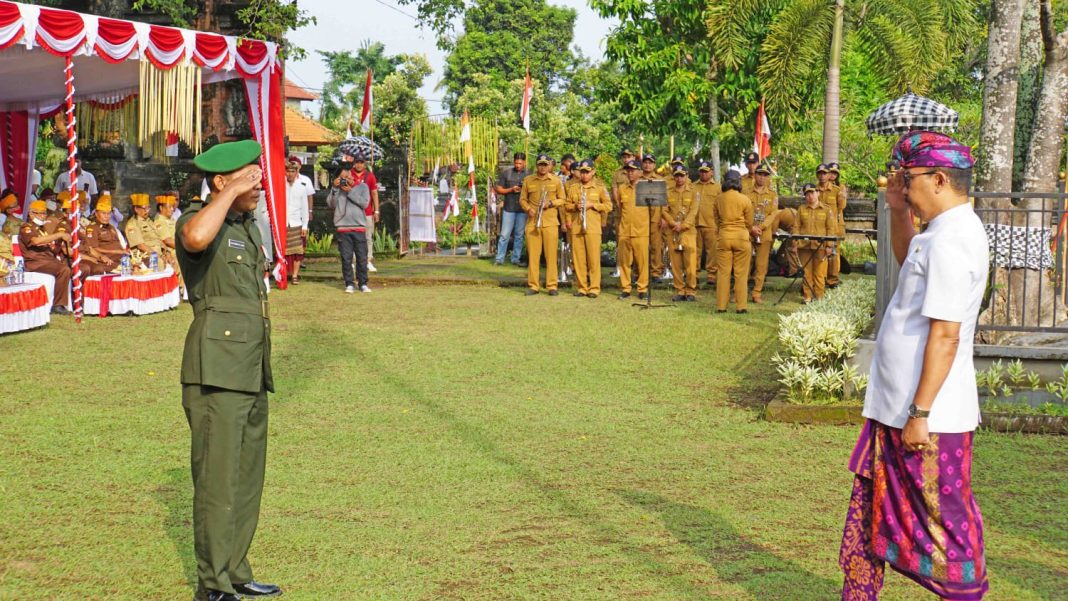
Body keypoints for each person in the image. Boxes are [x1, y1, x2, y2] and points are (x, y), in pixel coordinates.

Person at [839, 131, 988, 601]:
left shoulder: (954, 239)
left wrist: (920, 413)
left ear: (939, 179)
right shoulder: (939, 231)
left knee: (945, 530)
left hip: (926, 418)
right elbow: (909, 264)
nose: (902, 185)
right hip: (898, 408)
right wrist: (897, 210)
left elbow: (946, 334)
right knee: (875, 518)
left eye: (909, 178)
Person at [176, 139, 282, 601]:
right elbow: (196, 239)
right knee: (217, 481)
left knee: (245, 477)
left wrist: (239, 191)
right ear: (220, 182)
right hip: (217, 369)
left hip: (251, 366)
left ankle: (236, 571)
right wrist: (229, 191)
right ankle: (213, 585)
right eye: (248, 177)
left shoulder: (246, 226)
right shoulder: (199, 220)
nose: (258, 184)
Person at [327, 153, 374, 294]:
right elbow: (331, 204)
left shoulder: (363, 187)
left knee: (362, 257)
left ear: (352, 176)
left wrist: (351, 191)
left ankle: (363, 283)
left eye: (348, 177)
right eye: (343, 178)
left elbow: (365, 203)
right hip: (343, 227)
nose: (345, 180)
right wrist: (335, 188)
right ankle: (349, 283)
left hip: (359, 227)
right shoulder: (337, 190)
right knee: (346, 258)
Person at [563, 159, 611, 298]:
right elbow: (566, 205)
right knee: (578, 259)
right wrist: (575, 206)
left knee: (593, 259)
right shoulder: (573, 187)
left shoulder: (599, 187)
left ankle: (594, 288)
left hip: (593, 228)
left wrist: (593, 205)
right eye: (582, 172)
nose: (584, 175)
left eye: (587, 172)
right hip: (577, 227)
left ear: (593, 172)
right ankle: (582, 287)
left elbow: (609, 206)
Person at [520, 153, 565, 296]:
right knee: (533, 256)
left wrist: (550, 203)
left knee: (551, 256)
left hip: (550, 222)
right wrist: (528, 209)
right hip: (533, 222)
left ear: (549, 166)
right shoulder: (528, 180)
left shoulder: (556, 180)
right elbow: (522, 199)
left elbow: (562, 199)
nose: (543, 167)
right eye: (540, 164)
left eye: (545, 165)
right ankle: (534, 285)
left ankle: (552, 285)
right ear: (536, 165)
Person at [18, 200, 72, 314]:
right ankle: (58, 305)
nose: (43, 216)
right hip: (35, 262)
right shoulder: (26, 227)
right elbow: (35, 241)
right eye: (40, 213)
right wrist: (58, 234)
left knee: (71, 266)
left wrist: (60, 241)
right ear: (31, 214)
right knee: (64, 270)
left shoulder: (42, 229)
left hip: (48, 260)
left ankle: (74, 301)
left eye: (44, 213)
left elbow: (52, 249)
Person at [712, 170, 753, 314]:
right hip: (741, 237)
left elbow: (716, 219)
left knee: (723, 273)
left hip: (724, 237)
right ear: (738, 182)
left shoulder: (718, 199)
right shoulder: (745, 199)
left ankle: (721, 306)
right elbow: (749, 222)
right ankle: (741, 306)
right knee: (741, 274)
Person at [616, 160, 651, 300]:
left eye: (633, 170)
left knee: (642, 262)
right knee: (624, 262)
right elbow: (620, 209)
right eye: (628, 170)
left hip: (641, 230)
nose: (630, 173)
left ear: (640, 172)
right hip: (625, 230)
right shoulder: (622, 188)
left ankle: (642, 289)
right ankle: (626, 288)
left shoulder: (646, 187)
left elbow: (654, 210)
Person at [796, 184, 836, 303]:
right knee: (806, 272)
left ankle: (819, 297)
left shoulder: (826, 209)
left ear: (818, 193)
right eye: (807, 194)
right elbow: (796, 226)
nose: (810, 196)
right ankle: (807, 296)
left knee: (819, 273)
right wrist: (795, 241)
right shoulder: (801, 209)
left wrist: (829, 245)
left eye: (812, 193)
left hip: (820, 246)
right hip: (804, 245)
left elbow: (831, 229)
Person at [664, 164, 699, 301]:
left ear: (687, 176)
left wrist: (683, 225)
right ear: (673, 177)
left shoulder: (694, 191)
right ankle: (679, 290)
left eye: (682, 175)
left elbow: (694, 211)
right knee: (676, 263)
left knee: (690, 263)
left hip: (688, 232)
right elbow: (663, 210)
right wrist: (673, 223)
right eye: (677, 176)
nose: (679, 178)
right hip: (673, 231)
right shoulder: (668, 192)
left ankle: (690, 291)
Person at [747, 160, 778, 304]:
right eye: (760, 174)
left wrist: (762, 226)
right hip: (748, 233)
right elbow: (743, 212)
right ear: (755, 175)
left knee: (761, 265)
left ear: (768, 177)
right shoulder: (746, 193)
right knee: (744, 264)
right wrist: (751, 227)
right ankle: (739, 291)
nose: (762, 177)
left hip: (764, 233)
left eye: (765, 175)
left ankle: (756, 293)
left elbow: (773, 214)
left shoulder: (772, 195)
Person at [494, 152, 529, 266]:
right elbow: (498, 189)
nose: (518, 165)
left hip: (523, 209)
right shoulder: (507, 173)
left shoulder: (529, 174)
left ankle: (516, 258)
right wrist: (511, 190)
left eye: (520, 163)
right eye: (516, 163)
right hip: (509, 207)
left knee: (519, 235)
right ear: (514, 162)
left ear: (524, 162)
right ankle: (499, 259)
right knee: (505, 234)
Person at [81, 195, 128, 277]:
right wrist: (117, 251)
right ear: (96, 214)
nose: (107, 216)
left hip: (120, 260)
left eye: (109, 213)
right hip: (107, 261)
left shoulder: (111, 227)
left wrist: (124, 251)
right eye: (104, 213)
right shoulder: (92, 228)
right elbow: (93, 248)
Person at [819, 162, 848, 288]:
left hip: (835, 224)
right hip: (820, 225)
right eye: (831, 172)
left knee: (834, 253)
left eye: (835, 173)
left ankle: (833, 279)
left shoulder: (839, 188)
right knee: (821, 252)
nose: (833, 175)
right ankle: (821, 278)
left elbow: (841, 206)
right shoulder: (817, 188)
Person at [692, 160, 721, 287]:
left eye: (706, 172)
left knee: (712, 251)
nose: (703, 174)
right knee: (695, 251)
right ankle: (695, 274)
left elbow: (720, 206)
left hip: (711, 224)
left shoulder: (718, 188)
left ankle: (711, 275)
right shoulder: (693, 186)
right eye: (702, 172)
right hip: (695, 223)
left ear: (711, 172)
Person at [609, 148, 637, 277]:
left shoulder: (639, 172)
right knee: (621, 240)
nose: (626, 159)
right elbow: (615, 190)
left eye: (628, 156)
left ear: (633, 157)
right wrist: (620, 205)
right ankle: (620, 268)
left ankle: (635, 270)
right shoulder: (617, 173)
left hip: (636, 213)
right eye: (624, 157)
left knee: (637, 241)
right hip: (621, 211)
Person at [640, 154, 668, 280]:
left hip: (655, 217)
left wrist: (663, 217)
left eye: (650, 163)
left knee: (656, 246)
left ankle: (656, 272)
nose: (647, 165)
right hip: (640, 218)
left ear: (654, 165)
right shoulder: (637, 179)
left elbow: (665, 201)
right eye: (645, 162)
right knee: (640, 246)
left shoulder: (660, 180)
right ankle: (639, 272)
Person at [284, 160, 310, 284]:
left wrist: (305, 225)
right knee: (283, 251)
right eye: (288, 171)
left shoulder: (302, 187)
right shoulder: (280, 185)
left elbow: (305, 208)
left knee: (297, 251)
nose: (290, 174)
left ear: (296, 172)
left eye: (292, 171)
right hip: (283, 222)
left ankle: (294, 275)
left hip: (296, 222)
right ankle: (284, 274)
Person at [125, 193, 164, 267]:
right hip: (145, 256)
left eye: (148, 208)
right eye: (145, 208)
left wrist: (166, 252)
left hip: (158, 253)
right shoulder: (132, 224)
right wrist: (157, 255)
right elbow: (141, 246)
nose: (147, 211)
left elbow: (158, 238)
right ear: (136, 209)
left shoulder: (149, 221)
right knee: (159, 262)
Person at [154, 194, 182, 285]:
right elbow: (167, 241)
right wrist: (183, 247)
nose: (172, 209)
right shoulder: (160, 221)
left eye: (173, 207)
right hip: (172, 252)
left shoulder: (172, 220)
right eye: (170, 207)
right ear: (161, 208)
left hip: (178, 249)